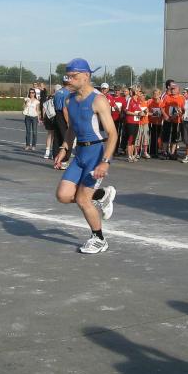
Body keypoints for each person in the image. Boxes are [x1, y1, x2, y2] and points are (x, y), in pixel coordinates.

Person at [54, 58, 117, 254]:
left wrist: (105, 162)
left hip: (96, 153)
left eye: (73, 76)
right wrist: (64, 148)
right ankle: (101, 195)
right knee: (63, 195)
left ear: (86, 76)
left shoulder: (98, 100)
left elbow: (113, 134)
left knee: (82, 199)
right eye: (67, 76)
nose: (69, 80)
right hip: (79, 153)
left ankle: (99, 239)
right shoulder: (69, 100)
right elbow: (72, 128)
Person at [160, 83, 184, 159]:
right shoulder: (167, 97)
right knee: (166, 136)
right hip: (167, 119)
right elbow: (162, 107)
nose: (172, 90)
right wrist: (165, 116)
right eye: (171, 89)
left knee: (175, 137)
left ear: (178, 90)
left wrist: (179, 113)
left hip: (177, 120)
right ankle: (164, 152)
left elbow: (183, 109)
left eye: (174, 89)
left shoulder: (182, 98)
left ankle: (172, 153)